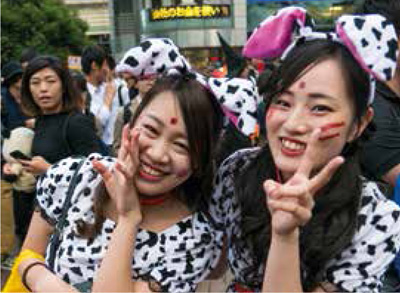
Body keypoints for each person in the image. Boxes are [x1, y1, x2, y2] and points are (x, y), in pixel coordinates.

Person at [210, 7, 400, 292]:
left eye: (320, 108)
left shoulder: (377, 217)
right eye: (283, 102)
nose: (294, 124)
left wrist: (285, 236)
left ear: (359, 124)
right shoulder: (238, 171)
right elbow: (215, 262)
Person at [16, 71, 224, 292]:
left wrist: (128, 219)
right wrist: (42, 280)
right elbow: (28, 255)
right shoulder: (74, 177)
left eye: (181, 145)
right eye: (151, 130)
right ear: (130, 126)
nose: (157, 154)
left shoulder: (193, 242)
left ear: (199, 162)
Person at [16, 55, 102, 176]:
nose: (43, 88)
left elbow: (97, 172)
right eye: (35, 82)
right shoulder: (40, 121)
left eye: (51, 81)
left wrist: (50, 170)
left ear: (64, 86)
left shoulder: (77, 123)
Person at [81, 45, 129, 150]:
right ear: (94, 66)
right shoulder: (81, 95)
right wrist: (108, 102)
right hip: (96, 151)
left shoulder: (118, 89)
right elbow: (94, 126)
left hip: (118, 148)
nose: (107, 69)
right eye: (105, 65)